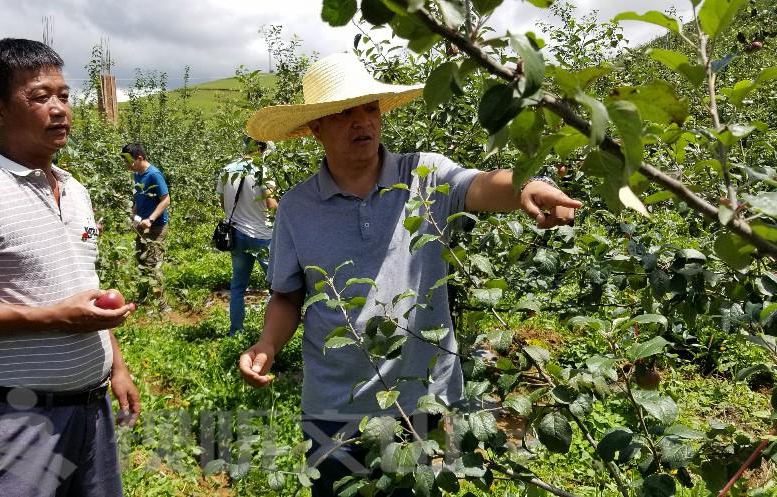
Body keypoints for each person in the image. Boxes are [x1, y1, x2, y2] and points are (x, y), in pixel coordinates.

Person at [238, 53, 582, 496]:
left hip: (423, 400)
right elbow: (287, 295)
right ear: (315, 128)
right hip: (335, 407)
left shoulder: (423, 174)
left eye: (370, 108)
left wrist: (525, 187)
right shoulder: (296, 209)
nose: (362, 121)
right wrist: (268, 343)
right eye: (344, 112)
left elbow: (476, 185)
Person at [0, 39, 139, 497]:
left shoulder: (76, 190)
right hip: (15, 420)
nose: (59, 109)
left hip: (90, 410)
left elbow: (84, 287)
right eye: (40, 97)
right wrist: (50, 317)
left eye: (64, 95)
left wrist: (117, 366)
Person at [216, 139, 278, 335]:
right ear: (261, 149)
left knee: (238, 287)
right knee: (276, 288)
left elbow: (223, 203)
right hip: (262, 236)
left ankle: (236, 330)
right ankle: (273, 332)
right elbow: (271, 204)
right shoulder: (262, 171)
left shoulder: (227, 170)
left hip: (236, 234)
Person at [123, 143, 170, 308]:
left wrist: (150, 219)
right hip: (141, 226)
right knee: (140, 261)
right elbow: (138, 198)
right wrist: (133, 215)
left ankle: (162, 306)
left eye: (129, 162)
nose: (127, 166)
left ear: (140, 158)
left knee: (152, 264)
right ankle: (142, 298)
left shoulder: (154, 175)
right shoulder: (137, 174)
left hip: (156, 227)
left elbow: (166, 200)